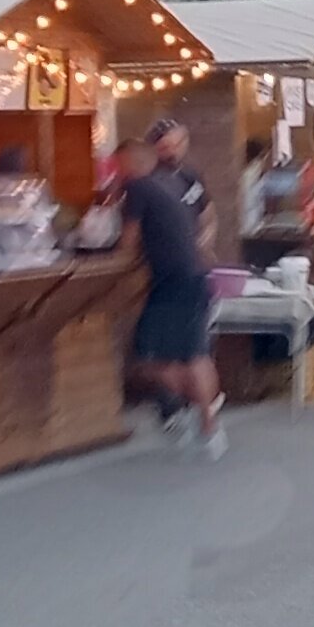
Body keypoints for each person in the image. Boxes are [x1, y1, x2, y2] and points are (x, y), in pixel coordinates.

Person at [125, 113, 223, 456]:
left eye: (179, 143)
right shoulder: (157, 181)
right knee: (185, 354)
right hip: (184, 276)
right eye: (167, 145)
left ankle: (200, 413)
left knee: (173, 354)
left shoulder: (178, 178)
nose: (175, 150)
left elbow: (208, 213)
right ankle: (201, 413)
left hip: (177, 277)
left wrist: (204, 240)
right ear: (152, 150)